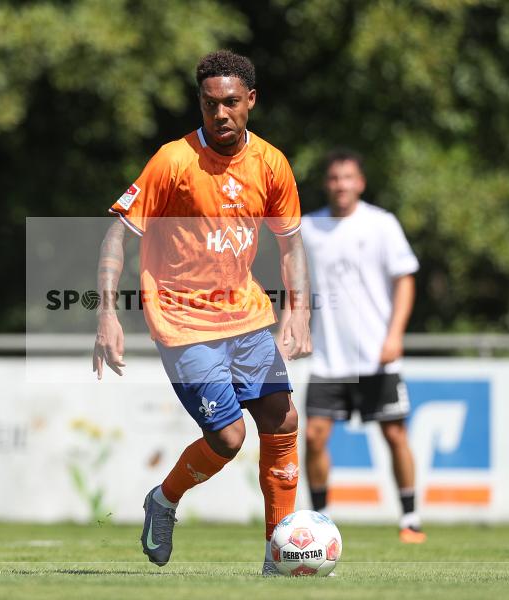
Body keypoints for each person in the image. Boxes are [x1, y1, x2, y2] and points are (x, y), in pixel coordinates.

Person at [93, 50, 312, 575]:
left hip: (246, 316)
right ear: (200, 103)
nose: (221, 114)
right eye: (211, 104)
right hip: (183, 322)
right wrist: (106, 313)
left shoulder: (272, 164)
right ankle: (164, 500)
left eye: (232, 103)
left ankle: (277, 560)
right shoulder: (173, 161)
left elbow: (290, 245)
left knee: (283, 420)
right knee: (229, 438)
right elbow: (116, 233)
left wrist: (297, 309)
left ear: (251, 101)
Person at [299, 148, 426, 543]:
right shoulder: (307, 227)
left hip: (376, 354)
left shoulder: (381, 224)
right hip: (328, 356)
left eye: (348, 178)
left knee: (395, 435)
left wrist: (394, 335)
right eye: (334, 178)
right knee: (315, 436)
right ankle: (321, 520)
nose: (341, 185)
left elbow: (405, 279)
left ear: (361, 183)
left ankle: (410, 518)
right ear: (327, 183)